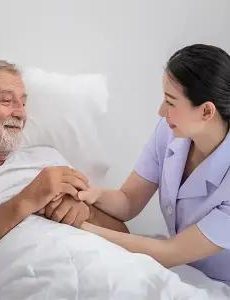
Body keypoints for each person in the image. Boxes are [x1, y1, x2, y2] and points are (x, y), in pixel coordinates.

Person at [0, 59, 128, 299]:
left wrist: (86, 214)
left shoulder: (46, 158)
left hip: (107, 277)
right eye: (6, 100)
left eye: (23, 102)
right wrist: (24, 202)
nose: (21, 113)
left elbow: (124, 235)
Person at [78, 44, 230, 285]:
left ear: (206, 111)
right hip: (184, 269)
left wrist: (83, 228)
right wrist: (91, 194)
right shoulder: (171, 132)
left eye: (171, 102)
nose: (161, 111)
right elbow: (128, 201)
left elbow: (170, 253)